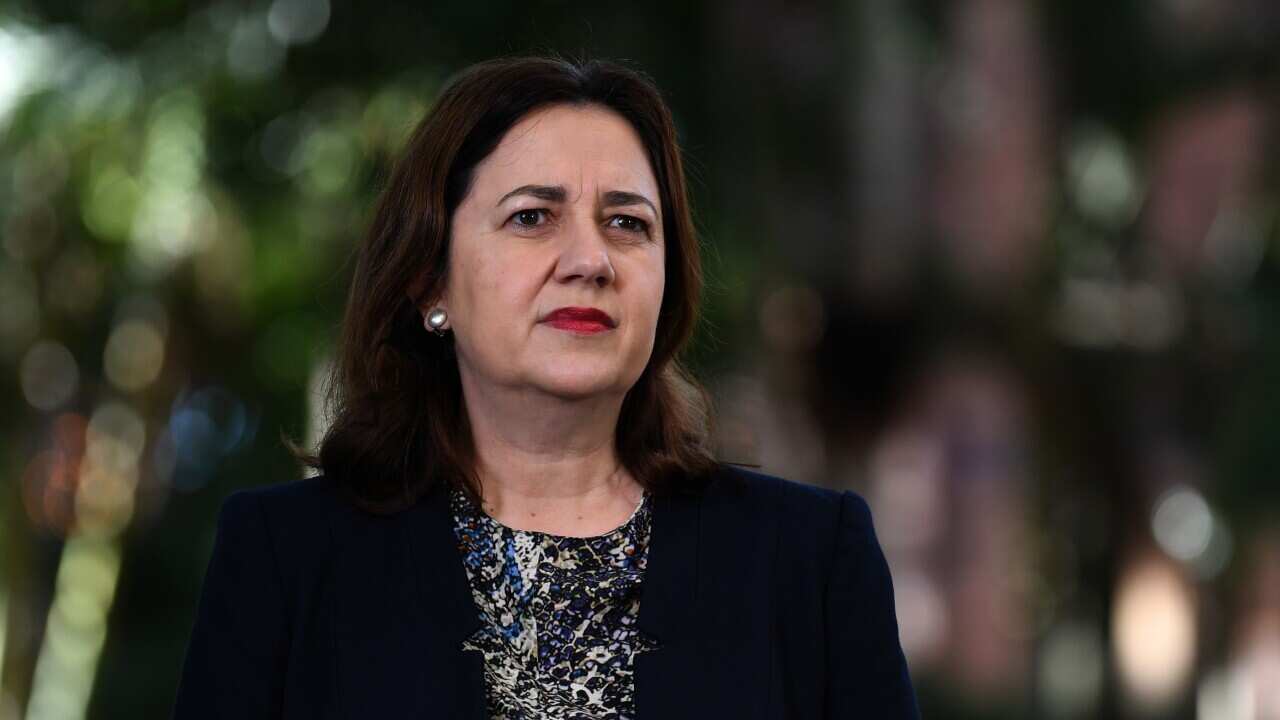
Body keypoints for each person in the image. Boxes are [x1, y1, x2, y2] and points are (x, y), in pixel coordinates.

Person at [171, 55, 919, 719]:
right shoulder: (286, 557)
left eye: (628, 223)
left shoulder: (812, 559)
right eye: (532, 217)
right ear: (430, 280)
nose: (591, 259)